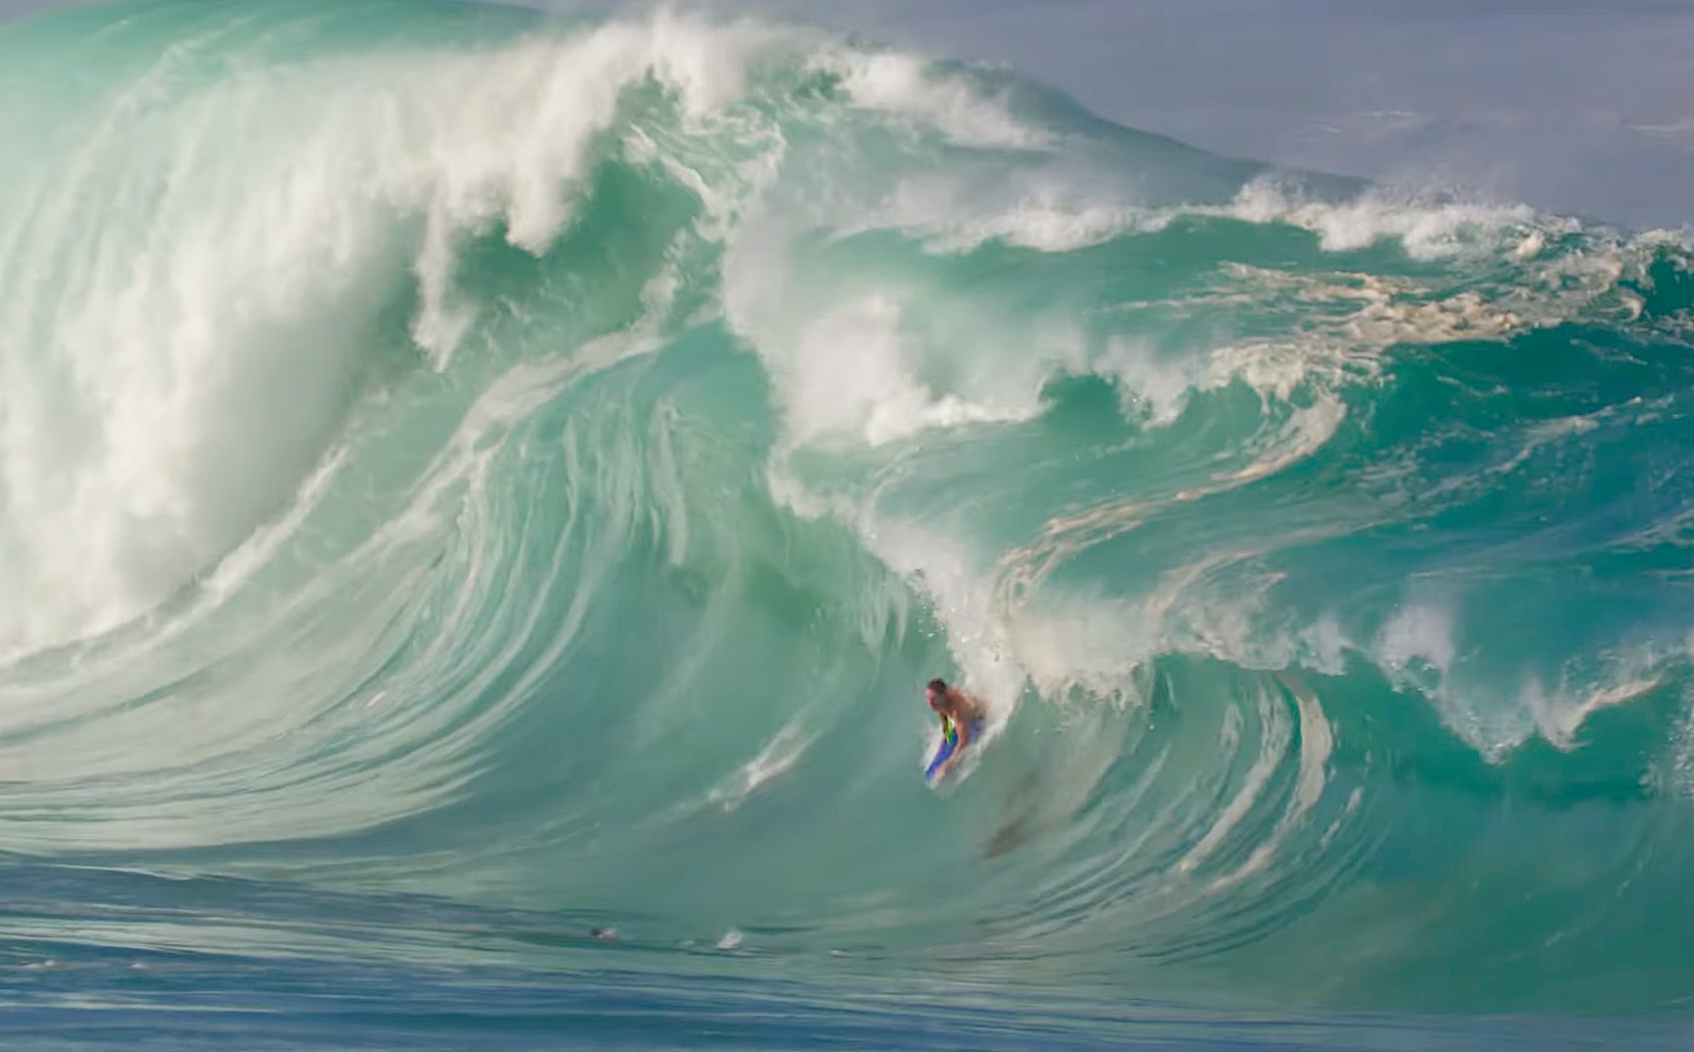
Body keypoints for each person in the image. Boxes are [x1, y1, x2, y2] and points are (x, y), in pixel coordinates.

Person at [924, 677, 985, 782]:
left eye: (933, 699)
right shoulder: (941, 702)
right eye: (928, 699)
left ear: (942, 697)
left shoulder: (956, 712)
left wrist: (948, 765)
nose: (930, 703)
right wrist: (945, 739)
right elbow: (944, 717)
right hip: (965, 719)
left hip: (977, 721)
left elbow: (964, 742)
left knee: (965, 745)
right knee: (950, 739)